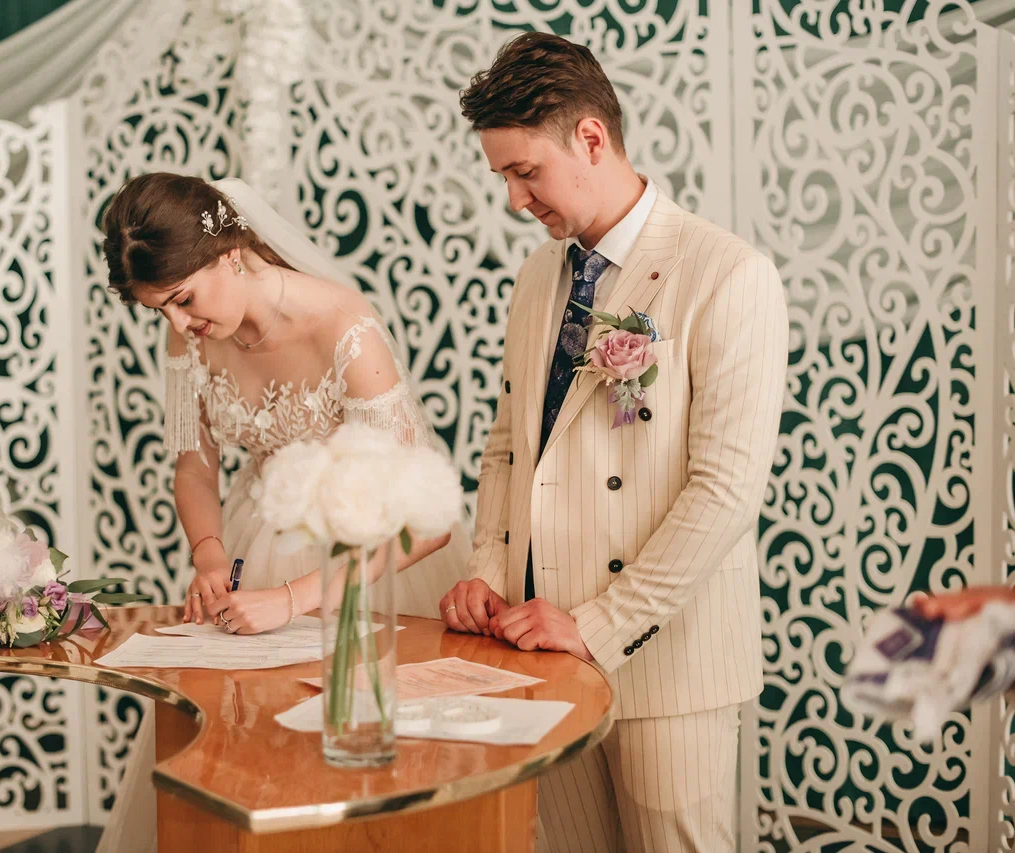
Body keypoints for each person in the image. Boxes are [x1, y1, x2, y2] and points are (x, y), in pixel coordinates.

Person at [439, 32, 789, 852]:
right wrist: (488, 571)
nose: (515, 200)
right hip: (542, 649)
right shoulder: (538, 277)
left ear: (591, 138)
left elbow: (725, 491)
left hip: (668, 663)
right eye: (503, 177)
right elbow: (509, 446)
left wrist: (599, 624)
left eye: (526, 172)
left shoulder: (728, 274)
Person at [99, 171, 470, 632]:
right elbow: (194, 468)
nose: (176, 324)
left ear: (228, 254)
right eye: (160, 310)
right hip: (256, 549)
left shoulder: (345, 329)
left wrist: (290, 600)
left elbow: (428, 524)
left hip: (362, 565)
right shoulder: (192, 334)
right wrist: (209, 555)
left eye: (184, 299)